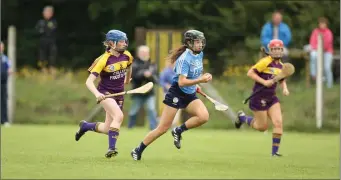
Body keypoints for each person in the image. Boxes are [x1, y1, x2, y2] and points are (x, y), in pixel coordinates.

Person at [131, 30, 212, 161]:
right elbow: (181, 82)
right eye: (197, 42)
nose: (200, 44)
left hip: (189, 93)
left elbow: (193, 75)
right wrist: (200, 80)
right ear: (189, 43)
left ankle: (178, 130)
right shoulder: (184, 59)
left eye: (201, 42)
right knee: (162, 128)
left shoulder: (199, 54)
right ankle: (137, 149)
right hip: (177, 93)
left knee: (203, 116)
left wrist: (196, 84)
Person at [74, 30, 133, 158]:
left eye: (125, 41)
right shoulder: (103, 60)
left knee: (107, 129)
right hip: (105, 93)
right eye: (121, 41)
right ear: (112, 43)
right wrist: (96, 94)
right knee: (119, 116)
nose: (124, 44)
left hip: (119, 93)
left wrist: (127, 79)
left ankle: (85, 126)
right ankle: (111, 148)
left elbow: (129, 67)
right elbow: (89, 81)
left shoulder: (127, 55)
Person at [235, 39, 290, 157]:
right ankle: (242, 117)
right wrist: (264, 82)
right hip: (258, 97)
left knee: (278, 122)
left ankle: (274, 153)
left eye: (279, 49)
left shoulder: (281, 66)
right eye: (274, 49)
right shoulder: (265, 62)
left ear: (282, 50)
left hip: (272, 98)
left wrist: (285, 88)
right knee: (262, 127)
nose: (276, 52)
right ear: (270, 50)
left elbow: (281, 79)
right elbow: (250, 73)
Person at [128, 45, 158, 130]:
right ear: (139, 53)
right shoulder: (134, 64)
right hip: (138, 91)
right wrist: (143, 74)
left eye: (146, 52)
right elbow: (133, 78)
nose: (144, 54)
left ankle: (153, 128)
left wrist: (150, 76)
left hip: (149, 92)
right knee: (133, 111)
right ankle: (130, 127)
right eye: (142, 52)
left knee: (151, 109)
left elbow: (156, 79)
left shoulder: (152, 64)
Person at [309, 17, 334, 88]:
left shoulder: (329, 33)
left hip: (327, 52)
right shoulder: (315, 31)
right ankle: (314, 74)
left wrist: (318, 48)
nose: (322, 25)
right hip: (317, 50)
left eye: (323, 24)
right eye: (320, 23)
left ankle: (329, 84)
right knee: (313, 55)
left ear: (326, 24)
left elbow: (326, 44)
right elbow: (312, 42)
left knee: (327, 67)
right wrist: (315, 48)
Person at [159, 61, 181, 128]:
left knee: (178, 109)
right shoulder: (165, 72)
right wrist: (166, 85)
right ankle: (165, 124)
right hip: (168, 93)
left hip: (178, 93)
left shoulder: (179, 72)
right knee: (170, 109)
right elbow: (161, 81)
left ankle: (173, 124)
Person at [35, 5, 57, 71]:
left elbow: (52, 30)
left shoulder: (53, 22)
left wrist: (45, 30)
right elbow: (37, 31)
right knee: (42, 58)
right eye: (44, 12)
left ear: (51, 13)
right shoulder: (40, 22)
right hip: (42, 43)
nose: (45, 14)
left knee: (52, 58)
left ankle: (52, 72)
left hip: (51, 43)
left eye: (47, 12)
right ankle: (43, 73)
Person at [1, 41, 11, 127]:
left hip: (3, 84)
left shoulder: (5, 59)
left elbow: (9, 69)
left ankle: (4, 120)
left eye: (2, 47)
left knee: (4, 101)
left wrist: (9, 71)